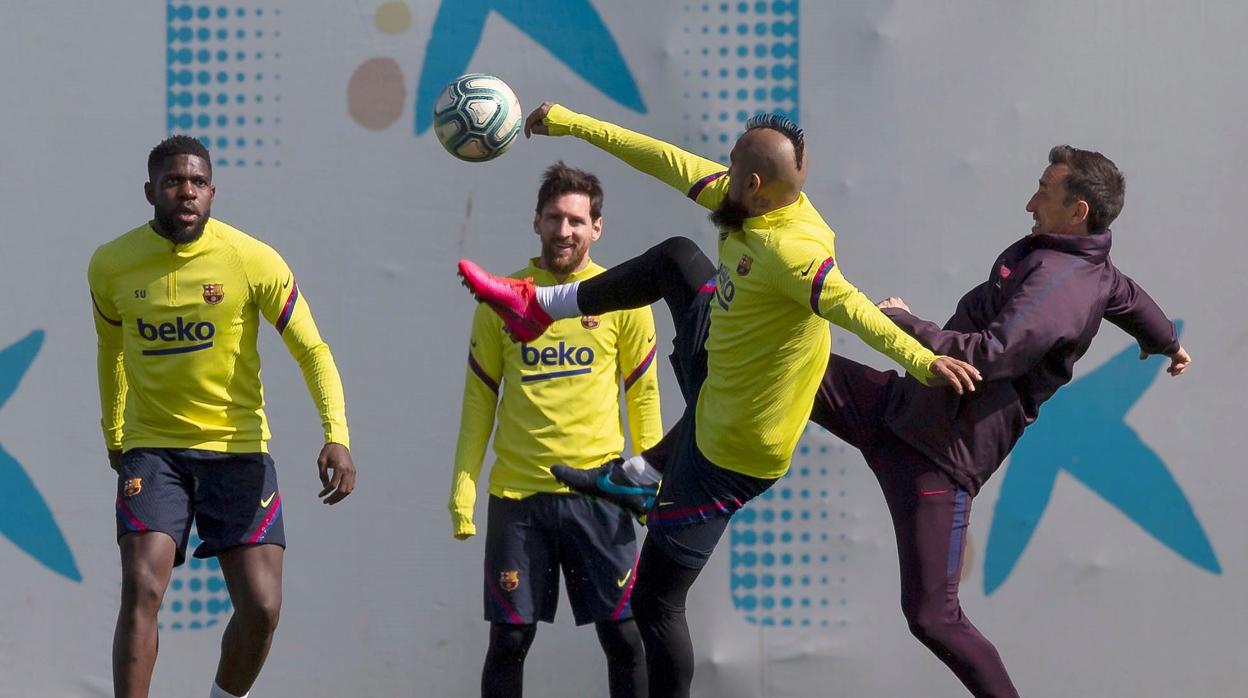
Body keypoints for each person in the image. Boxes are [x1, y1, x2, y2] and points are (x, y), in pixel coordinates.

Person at [549, 146, 1190, 697]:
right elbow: (1127, 295)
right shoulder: (1083, 262)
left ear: (1078, 210)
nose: (1029, 202)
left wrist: (906, 321)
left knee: (932, 616)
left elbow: (988, 356)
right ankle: (645, 470)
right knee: (764, 359)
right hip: (893, 404)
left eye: (1044, 192)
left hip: (935, 459)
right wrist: (1164, 342)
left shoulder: (1062, 285)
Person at [458, 103, 980, 698]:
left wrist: (923, 359)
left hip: (729, 452)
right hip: (718, 364)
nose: (719, 171)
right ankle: (546, 315)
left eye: (731, 166)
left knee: (655, 603)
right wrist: (573, 122)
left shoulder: (796, 253)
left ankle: (643, 469)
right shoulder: (756, 204)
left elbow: (853, 309)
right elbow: (666, 160)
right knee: (677, 257)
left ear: (754, 186)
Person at [89, 136, 357, 698]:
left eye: (197, 182)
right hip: (154, 450)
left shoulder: (251, 259)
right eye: (173, 182)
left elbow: (313, 350)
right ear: (149, 192)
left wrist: (337, 434)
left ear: (212, 191)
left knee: (261, 608)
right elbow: (111, 352)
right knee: (141, 585)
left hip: (237, 452)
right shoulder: (111, 265)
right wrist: (115, 431)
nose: (186, 192)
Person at [451, 162, 663, 698]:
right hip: (520, 497)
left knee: (624, 638)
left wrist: (653, 478)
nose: (563, 231)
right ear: (536, 222)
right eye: (553, 218)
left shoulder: (623, 297)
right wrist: (464, 485)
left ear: (597, 228)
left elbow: (644, 393)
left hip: (601, 493)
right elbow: (480, 398)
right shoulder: (502, 297)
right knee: (509, 640)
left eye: (575, 220)